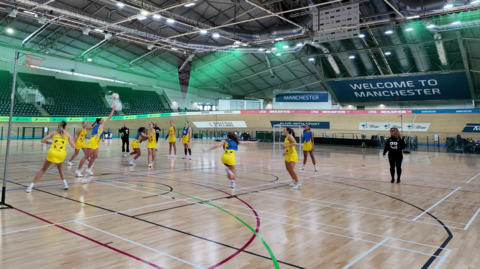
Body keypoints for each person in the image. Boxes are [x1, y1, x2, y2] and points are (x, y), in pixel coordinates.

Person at [26, 121, 76, 193]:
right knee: (60, 167)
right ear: (65, 126)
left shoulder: (54, 132)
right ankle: (65, 184)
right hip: (61, 153)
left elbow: (42, 140)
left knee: (43, 170)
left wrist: (48, 142)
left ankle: (30, 186)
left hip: (52, 152)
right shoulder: (68, 134)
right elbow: (73, 146)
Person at [75, 105, 116, 177]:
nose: (103, 120)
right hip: (93, 141)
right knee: (86, 156)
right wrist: (113, 109)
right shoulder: (100, 125)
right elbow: (109, 117)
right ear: (100, 122)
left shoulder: (95, 126)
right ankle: (78, 170)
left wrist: (86, 122)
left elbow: (87, 128)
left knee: (95, 156)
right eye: (102, 120)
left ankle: (88, 169)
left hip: (96, 142)